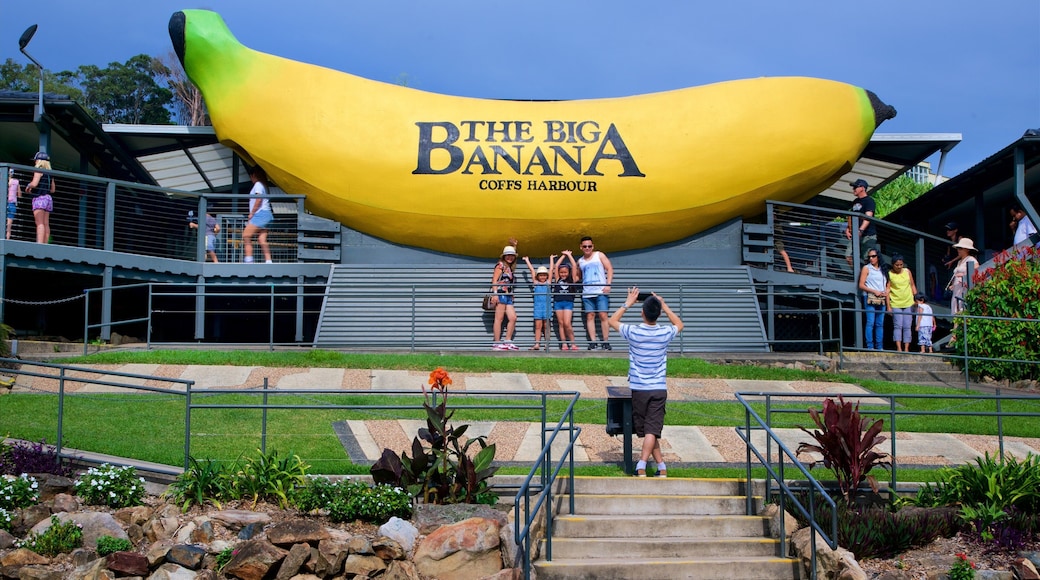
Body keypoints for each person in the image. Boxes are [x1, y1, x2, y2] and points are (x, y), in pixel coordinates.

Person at [608, 287, 684, 478]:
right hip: (658, 387)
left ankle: (641, 466)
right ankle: (662, 467)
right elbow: (679, 324)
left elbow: (612, 321)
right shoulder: (665, 333)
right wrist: (663, 305)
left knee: (649, 430)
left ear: (642, 313)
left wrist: (628, 302)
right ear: (658, 314)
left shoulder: (633, 331)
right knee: (651, 430)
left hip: (639, 388)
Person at [578, 236, 614, 350]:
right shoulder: (580, 261)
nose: (587, 248)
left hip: (600, 291)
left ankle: (605, 341)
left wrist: (608, 284)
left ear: (593, 246)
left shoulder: (599, 255)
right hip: (587, 292)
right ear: (581, 247)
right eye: (585, 246)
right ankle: (593, 342)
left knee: (603, 315)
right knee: (590, 316)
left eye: (589, 246)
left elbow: (609, 268)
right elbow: (577, 276)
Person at [885, 254, 918, 352]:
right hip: (896, 303)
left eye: (901, 264)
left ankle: (906, 348)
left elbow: (912, 285)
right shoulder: (890, 274)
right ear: (893, 265)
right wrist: (888, 306)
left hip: (908, 302)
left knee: (907, 326)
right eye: (897, 265)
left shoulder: (907, 271)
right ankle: (899, 348)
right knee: (898, 326)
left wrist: (916, 299)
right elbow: (888, 289)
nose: (899, 267)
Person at [491, 240, 519, 350]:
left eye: (512, 256)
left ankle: (508, 341)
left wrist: (514, 246)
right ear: (504, 256)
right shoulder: (500, 265)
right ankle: (496, 343)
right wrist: (495, 294)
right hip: (501, 294)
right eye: (508, 255)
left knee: (513, 317)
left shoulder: (509, 268)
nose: (510, 258)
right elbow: (494, 280)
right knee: (499, 318)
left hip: (508, 295)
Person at [242, 165, 273, 263]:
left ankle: (249, 260)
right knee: (261, 239)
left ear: (253, 175)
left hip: (261, 214)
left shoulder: (258, 185)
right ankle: (269, 261)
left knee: (246, 235)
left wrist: (252, 213)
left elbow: (258, 199)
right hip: (267, 215)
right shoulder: (264, 185)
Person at [23, 152, 56, 244]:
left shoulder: (38, 170)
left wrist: (28, 186)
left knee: (39, 223)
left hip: (39, 198)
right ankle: (45, 244)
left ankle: (40, 243)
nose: (35, 162)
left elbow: (35, 183)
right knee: (46, 223)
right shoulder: (50, 173)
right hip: (48, 199)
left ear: (39, 161)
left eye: (36, 160)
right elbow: (53, 189)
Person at [858, 249, 887, 350]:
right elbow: (861, 285)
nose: (871, 258)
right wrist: (874, 291)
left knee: (880, 323)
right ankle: (870, 346)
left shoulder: (883, 269)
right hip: (870, 296)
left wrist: (886, 291)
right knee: (870, 322)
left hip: (881, 297)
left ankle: (880, 346)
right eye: (869, 256)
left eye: (873, 256)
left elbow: (887, 284)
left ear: (878, 256)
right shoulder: (866, 268)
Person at [551, 250, 580, 350]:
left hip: (568, 303)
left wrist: (569, 255)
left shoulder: (572, 279)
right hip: (558, 303)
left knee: (567, 323)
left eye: (565, 272)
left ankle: (573, 343)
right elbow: (556, 266)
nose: (563, 274)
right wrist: (563, 256)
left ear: (569, 272)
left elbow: (574, 266)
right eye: (561, 272)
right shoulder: (557, 279)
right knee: (561, 323)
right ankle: (563, 343)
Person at [844, 179, 877, 267]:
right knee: (848, 255)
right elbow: (850, 216)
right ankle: (858, 276)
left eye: (855, 187)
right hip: (855, 234)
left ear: (862, 188)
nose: (853, 189)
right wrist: (848, 229)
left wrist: (861, 230)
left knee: (868, 258)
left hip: (868, 234)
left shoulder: (869, 201)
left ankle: (867, 277)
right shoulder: (855, 202)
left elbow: (868, 217)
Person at [522, 256, 552, 350]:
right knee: (538, 326)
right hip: (538, 308)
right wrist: (527, 260)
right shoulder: (536, 283)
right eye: (540, 275)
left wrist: (551, 259)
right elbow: (531, 270)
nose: (542, 277)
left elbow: (551, 269)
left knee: (546, 327)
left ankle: (546, 344)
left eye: (544, 275)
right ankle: (537, 344)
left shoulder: (548, 283)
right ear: (537, 276)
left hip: (547, 307)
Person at [948, 238, 979, 315]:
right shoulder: (959, 261)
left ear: (967, 249)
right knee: (956, 311)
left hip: (964, 288)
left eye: (960, 248)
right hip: (957, 289)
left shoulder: (971, 259)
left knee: (961, 309)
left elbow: (977, 271)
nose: (958, 250)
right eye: (958, 248)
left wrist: (964, 275)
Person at [6, 173, 20, 240]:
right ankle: (6, 242)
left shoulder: (3, 180)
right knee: (9, 227)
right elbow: (19, 194)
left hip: (4, 203)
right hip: (12, 204)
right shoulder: (16, 181)